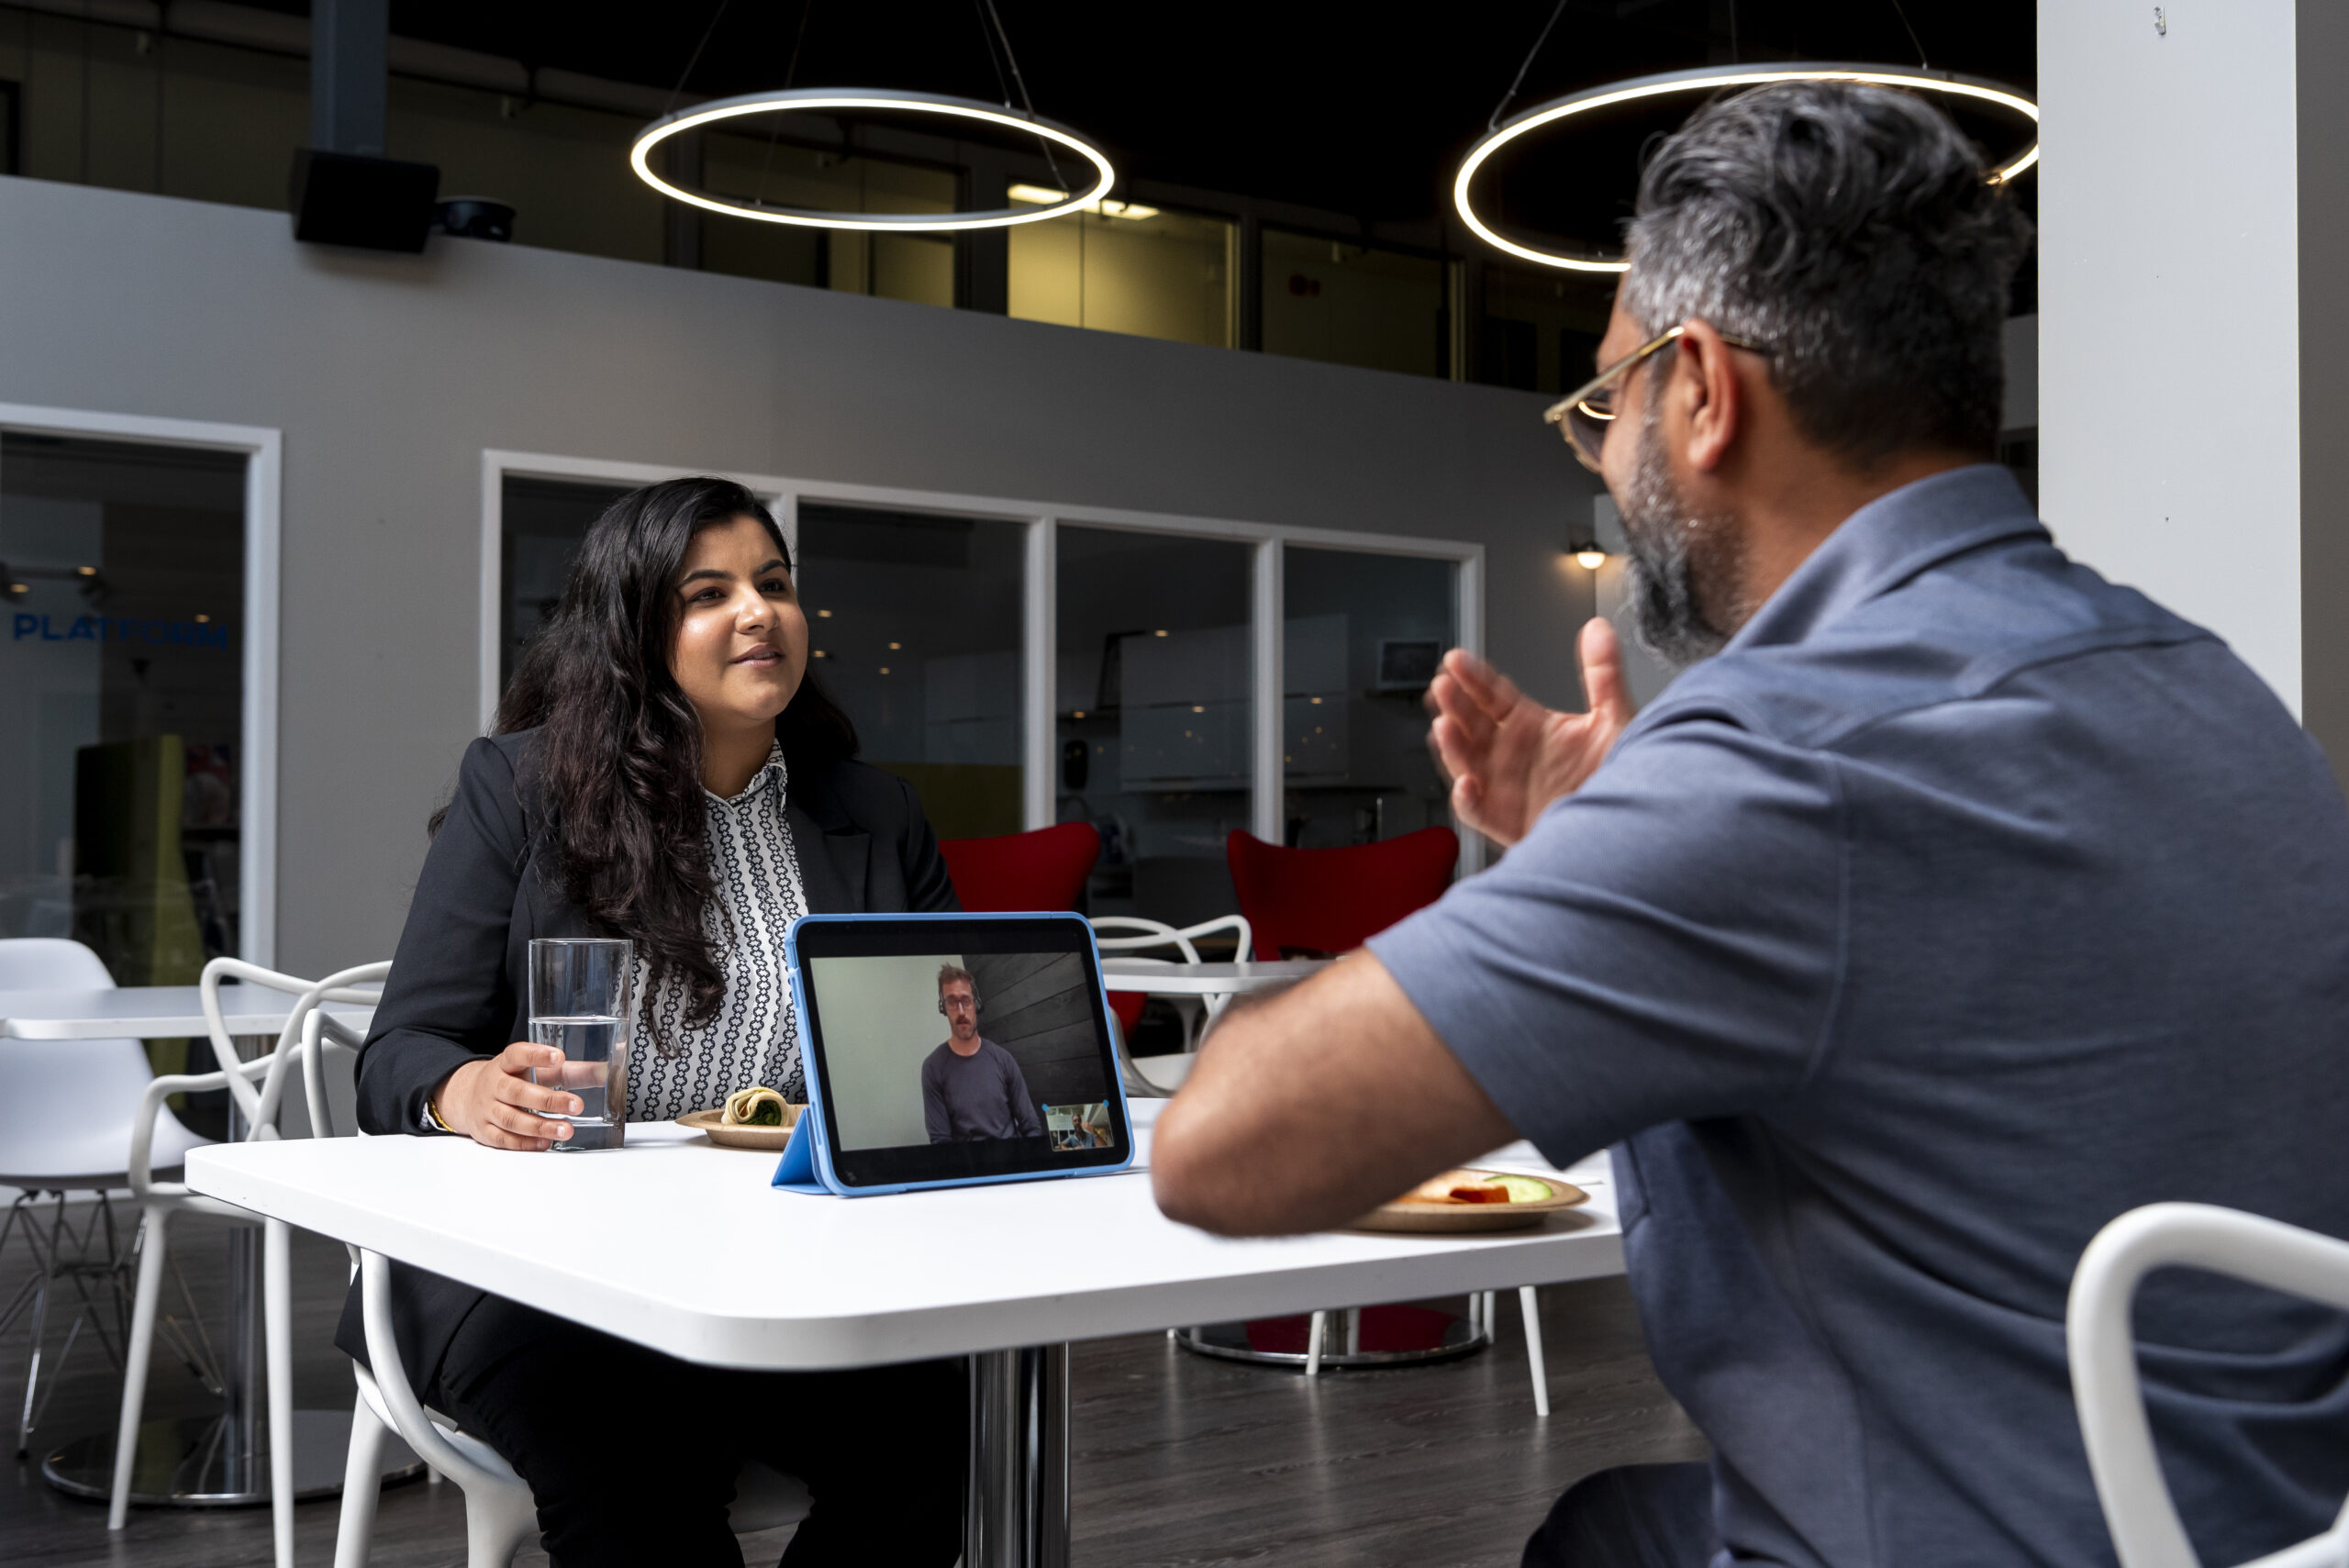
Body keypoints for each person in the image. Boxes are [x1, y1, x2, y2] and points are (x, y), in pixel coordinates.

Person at [1151, 82, 2349, 1567]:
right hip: (2275, 1530)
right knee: (1613, 1525)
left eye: (1608, 401)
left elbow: (1220, 1149)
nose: (1601, 458)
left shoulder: (1790, 751)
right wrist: (1611, 851)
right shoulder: (2214, 689)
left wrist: (1620, 845)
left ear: (1705, 391)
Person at [339, 477, 965, 1567]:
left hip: (780, 1257)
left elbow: (941, 1041)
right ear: (634, 628)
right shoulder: (523, 787)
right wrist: (468, 1089)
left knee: (933, 1438)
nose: (758, 611)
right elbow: (399, 1052)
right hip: (532, 1271)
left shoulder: (873, 811)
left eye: (773, 584)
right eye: (707, 592)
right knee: (643, 1480)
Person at [920, 963, 1043, 1143]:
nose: (961, 1011)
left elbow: (1031, 1125)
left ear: (976, 1003)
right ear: (943, 1007)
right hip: (970, 1167)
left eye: (966, 1000)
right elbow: (941, 1141)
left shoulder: (1003, 1059)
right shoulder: (933, 1068)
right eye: (952, 1002)